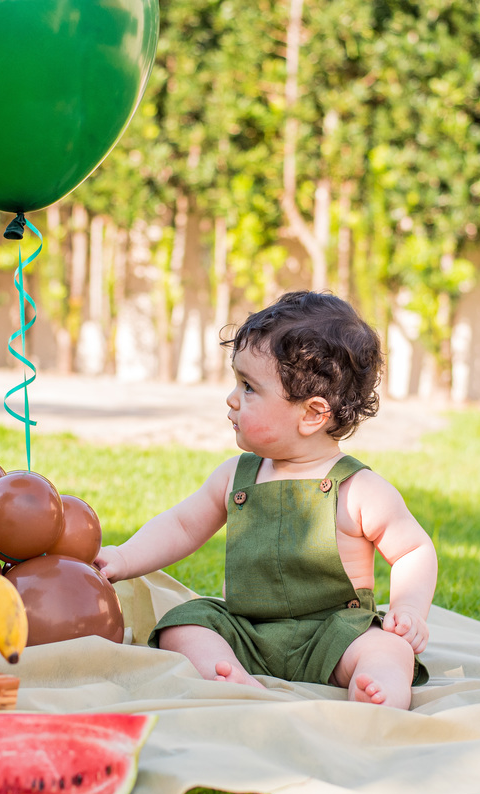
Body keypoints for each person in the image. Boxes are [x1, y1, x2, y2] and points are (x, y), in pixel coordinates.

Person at [94, 291, 437, 709]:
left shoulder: (358, 489)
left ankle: (376, 687)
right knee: (183, 625)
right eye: (237, 382)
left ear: (312, 414)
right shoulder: (237, 475)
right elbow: (182, 524)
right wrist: (124, 558)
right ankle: (227, 674)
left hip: (333, 635)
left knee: (388, 648)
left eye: (249, 387)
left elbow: (413, 550)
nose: (232, 398)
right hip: (248, 630)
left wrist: (409, 609)